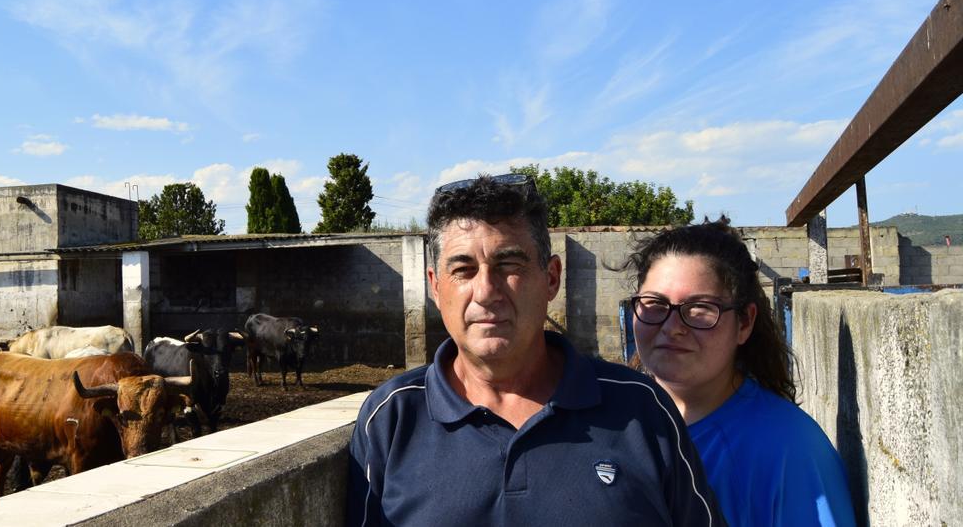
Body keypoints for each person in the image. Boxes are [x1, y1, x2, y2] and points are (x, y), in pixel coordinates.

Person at [347, 174, 725, 526]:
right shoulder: (390, 420)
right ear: (435, 286)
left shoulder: (641, 410)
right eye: (463, 270)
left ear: (551, 278)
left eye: (508, 264)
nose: (486, 291)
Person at [622, 218, 856, 527]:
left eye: (700, 308)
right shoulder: (615, 425)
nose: (671, 327)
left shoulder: (789, 450)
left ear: (744, 323)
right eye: (654, 304)